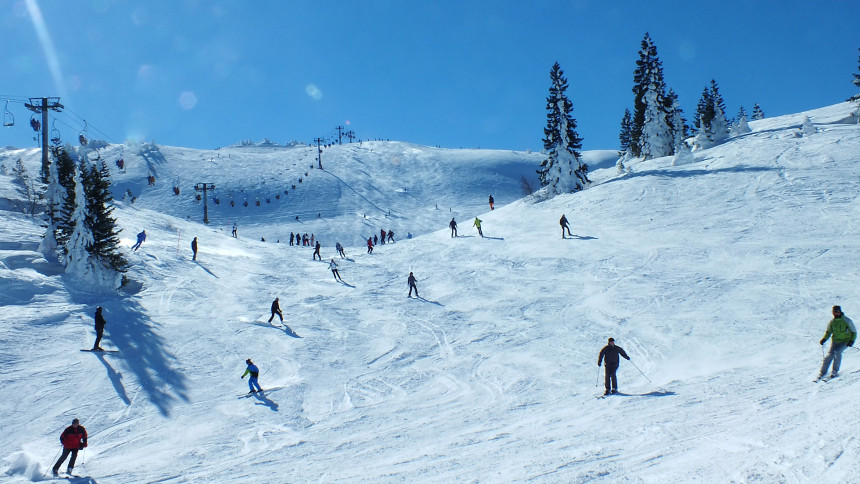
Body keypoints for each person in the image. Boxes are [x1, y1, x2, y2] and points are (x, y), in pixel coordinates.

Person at [817, 305, 857, 380]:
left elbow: (854, 332)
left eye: (837, 311)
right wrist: (824, 339)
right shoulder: (832, 322)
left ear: (840, 311)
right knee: (829, 355)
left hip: (845, 341)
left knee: (837, 352)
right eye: (834, 312)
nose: (836, 313)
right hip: (835, 341)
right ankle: (822, 372)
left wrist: (851, 341)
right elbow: (828, 332)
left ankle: (835, 371)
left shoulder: (847, 320)